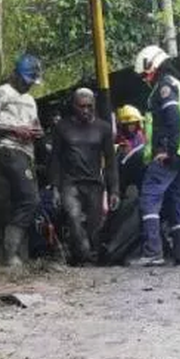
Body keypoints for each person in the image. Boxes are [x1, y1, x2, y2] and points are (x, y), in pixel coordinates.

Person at [131, 45, 180, 267]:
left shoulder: (165, 87)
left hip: (169, 153)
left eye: (144, 73)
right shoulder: (177, 85)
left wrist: (166, 151)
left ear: (153, 65)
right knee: (178, 200)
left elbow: (172, 119)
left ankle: (153, 252)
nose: (144, 78)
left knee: (149, 197)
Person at [0, 55, 44, 267]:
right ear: (17, 76)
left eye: (32, 81)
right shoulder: (3, 92)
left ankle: (18, 255)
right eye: (27, 80)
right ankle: (11, 253)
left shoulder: (31, 100)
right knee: (30, 200)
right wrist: (13, 129)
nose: (30, 84)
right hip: (9, 151)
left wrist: (36, 131)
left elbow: (36, 125)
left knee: (21, 201)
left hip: (27, 153)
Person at [50, 88, 119, 265]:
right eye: (82, 106)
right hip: (70, 182)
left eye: (90, 106)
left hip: (95, 183)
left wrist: (114, 191)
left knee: (94, 226)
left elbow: (111, 162)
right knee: (73, 216)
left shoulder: (103, 128)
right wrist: (55, 188)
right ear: (74, 106)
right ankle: (84, 254)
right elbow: (55, 159)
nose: (86, 110)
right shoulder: (62, 127)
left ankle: (86, 257)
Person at [115, 104, 147, 196]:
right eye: (128, 124)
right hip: (124, 172)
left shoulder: (141, 136)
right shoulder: (119, 138)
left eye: (133, 123)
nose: (131, 127)